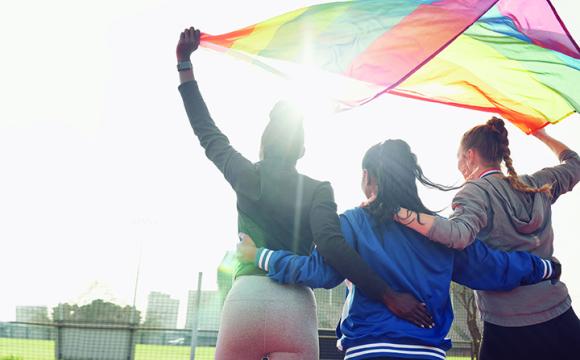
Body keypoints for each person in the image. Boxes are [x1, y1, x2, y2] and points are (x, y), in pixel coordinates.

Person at [176, 27, 431, 359]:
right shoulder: (318, 190)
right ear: (302, 149)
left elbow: (206, 130)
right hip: (294, 306)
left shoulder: (245, 175)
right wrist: (387, 294)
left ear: (265, 142)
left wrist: (184, 63)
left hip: (246, 300)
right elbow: (333, 247)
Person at [237, 139, 561, 360]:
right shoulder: (440, 232)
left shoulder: (350, 223)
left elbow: (318, 272)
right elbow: (493, 267)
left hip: (369, 348)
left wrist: (260, 256)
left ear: (367, 177)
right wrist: (544, 268)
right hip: (427, 350)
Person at [394, 118, 580, 359]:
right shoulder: (535, 185)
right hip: (559, 314)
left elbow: (457, 235)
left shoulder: (475, 192)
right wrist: (541, 135)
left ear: (470, 155)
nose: (459, 166)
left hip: (507, 326)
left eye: (459, 158)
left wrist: (397, 212)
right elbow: (575, 164)